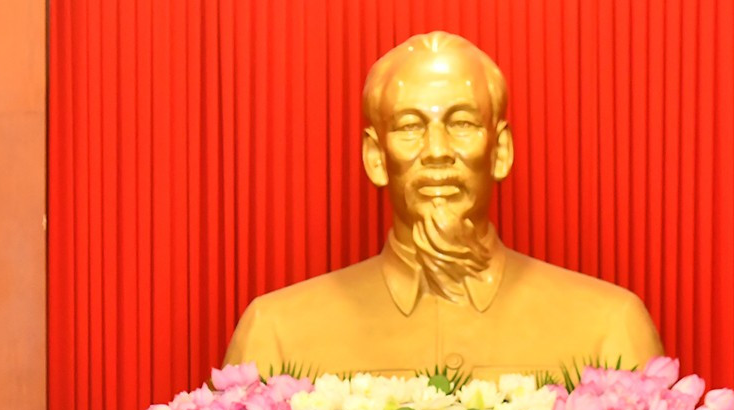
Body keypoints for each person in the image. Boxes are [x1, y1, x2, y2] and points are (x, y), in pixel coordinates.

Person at [223, 31, 663, 378]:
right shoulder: (276, 331)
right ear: (376, 157)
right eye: (410, 126)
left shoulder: (609, 326)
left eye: (463, 123)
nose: (437, 150)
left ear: (501, 149)